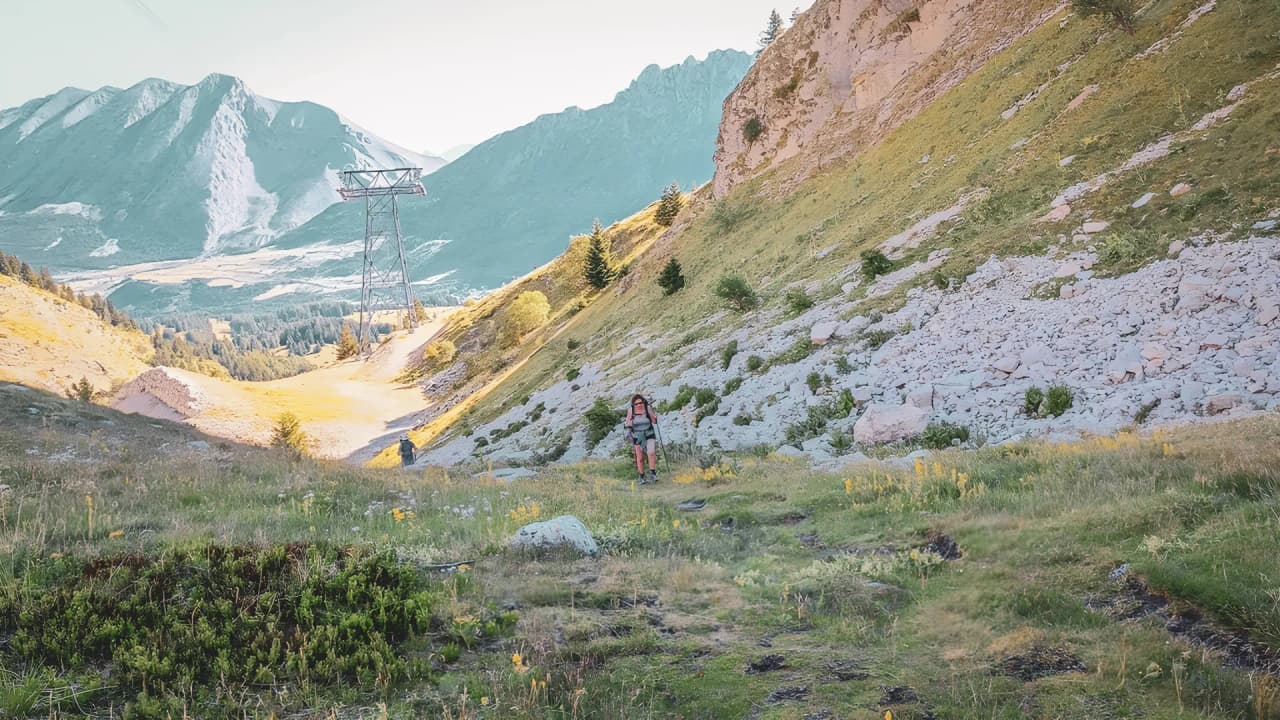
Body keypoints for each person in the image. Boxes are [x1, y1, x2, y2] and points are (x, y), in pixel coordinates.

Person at [624, 394, 660, 484]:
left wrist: (654, 417)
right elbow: (628, 422)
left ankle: (653, 474)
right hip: (637, 435)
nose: (638, 405)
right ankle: (642, 477)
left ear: (643, 402)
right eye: (636, 404)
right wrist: (630, 424)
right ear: (633, 405)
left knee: (651, 452)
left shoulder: (647, 408)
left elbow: (654, 421)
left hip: (649, 433)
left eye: (640, 403)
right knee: (640, 458)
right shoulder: (631, 410)